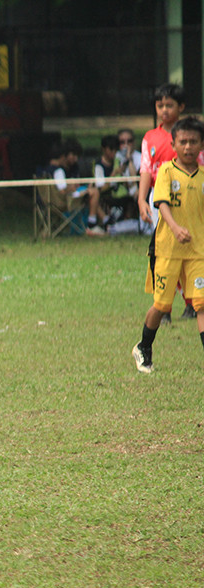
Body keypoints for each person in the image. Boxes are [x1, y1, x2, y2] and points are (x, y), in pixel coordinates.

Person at [132, 116, 204, 373]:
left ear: (201, 145)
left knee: (201, 303)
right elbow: (162, 204)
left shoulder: (202, 176)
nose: (188, 147)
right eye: (183, 142)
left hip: (197, 251)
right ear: (173, 145)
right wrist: (175, 228)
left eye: (193, 142)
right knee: (162, 305)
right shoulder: (166, 171)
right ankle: (144, 347)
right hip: (168, 249)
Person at [138, 83, 197, 321]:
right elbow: (146, 169)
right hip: (160, 200)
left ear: (181, 107)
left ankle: (193, 302)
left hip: (188, 198)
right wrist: (142, 199)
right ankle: (163, 306)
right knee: (162, 253)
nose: (164, 110)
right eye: (160, 105)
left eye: (169, 105)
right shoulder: (150, 138)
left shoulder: (190, 137)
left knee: (189, 249)